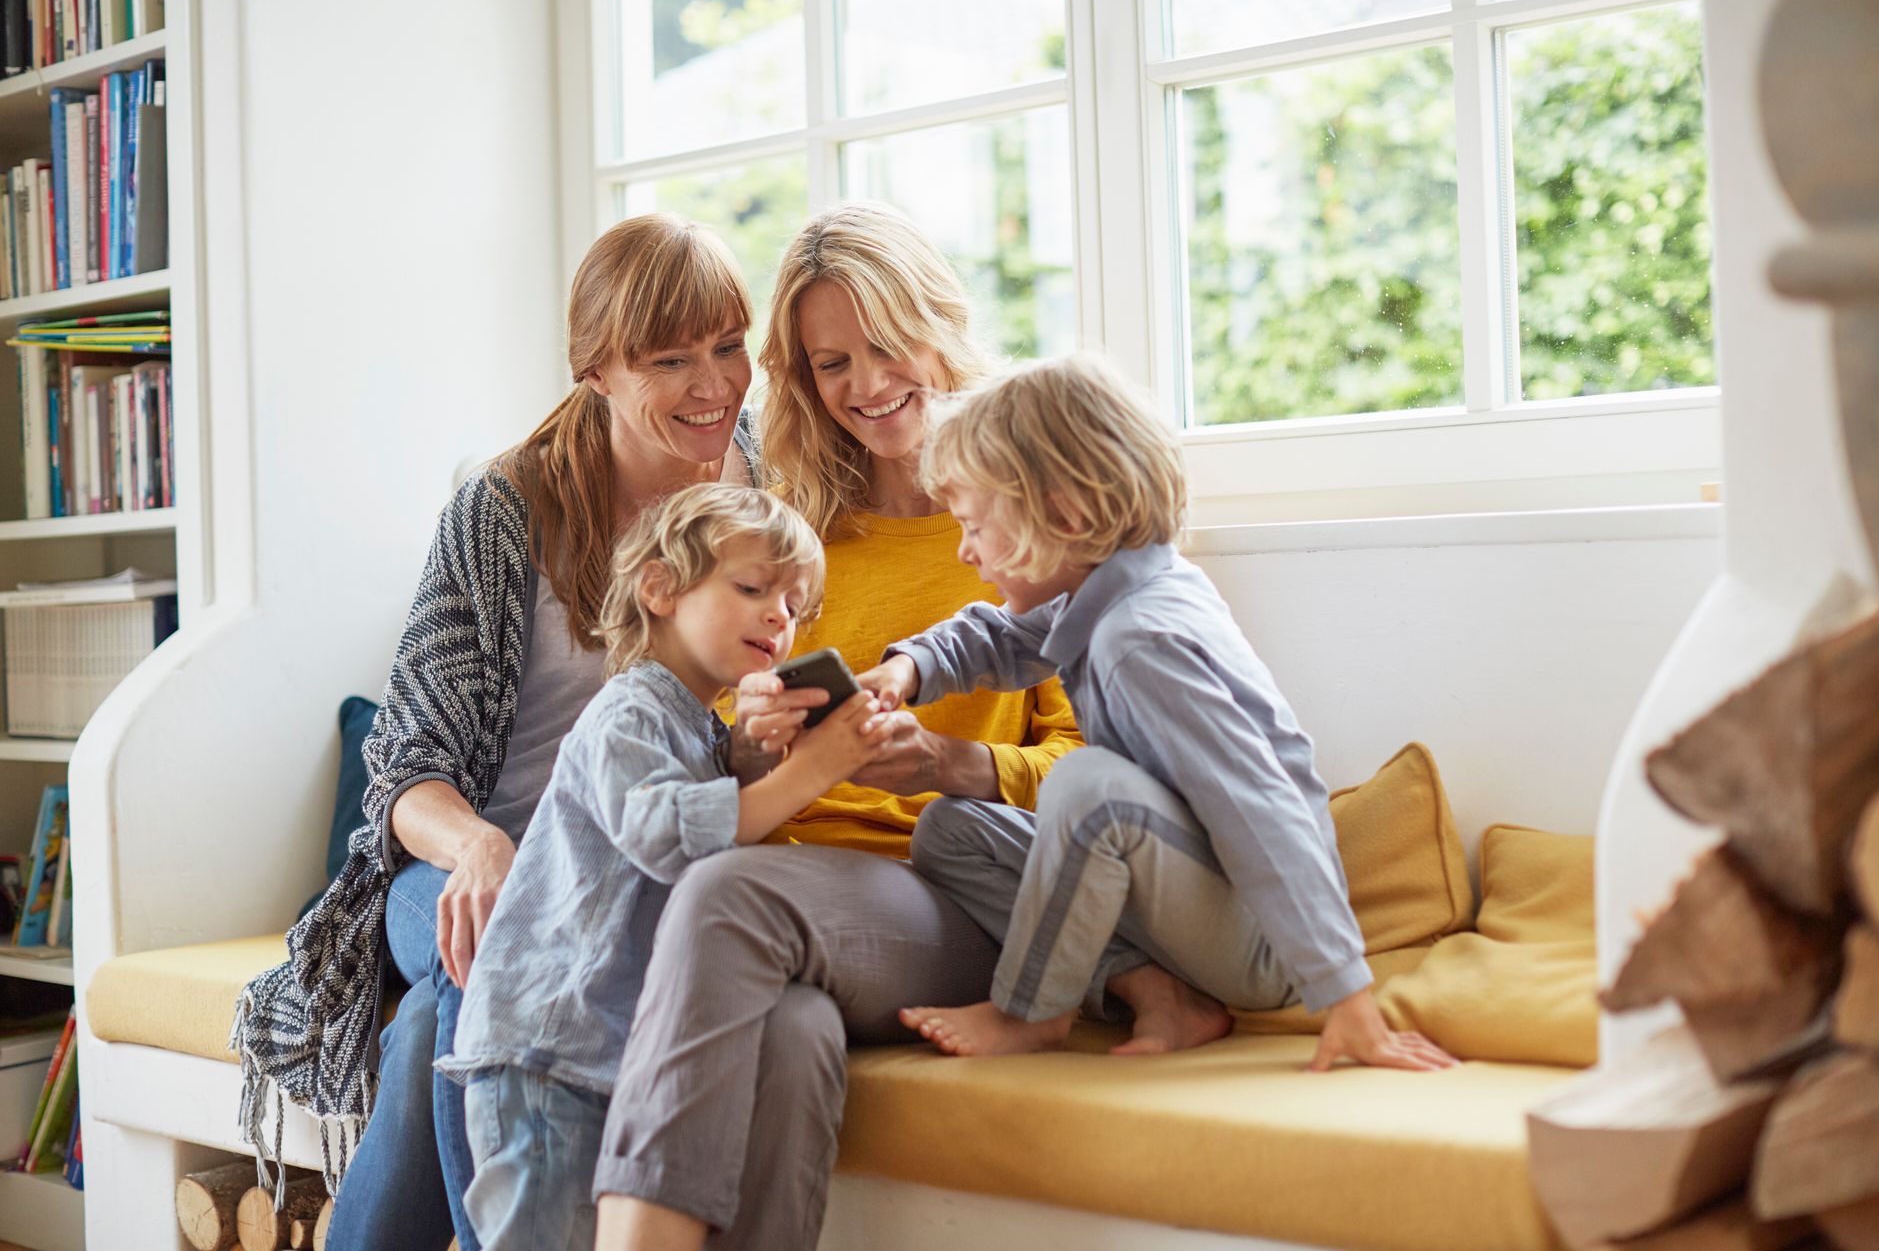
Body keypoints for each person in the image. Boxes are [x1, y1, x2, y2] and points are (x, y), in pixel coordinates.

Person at [232, 213, 760, 1251]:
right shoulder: (504, 509)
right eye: (671, 358)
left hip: (644, 862)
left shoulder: (770, 494)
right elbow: (406, 770)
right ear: (596, 368)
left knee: (441, 1015)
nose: (715, 384)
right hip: (473, 860)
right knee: (488, 949)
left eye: (730, 345)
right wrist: (478, 844)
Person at [590, 201, 1081, 1251]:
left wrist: (952, 761)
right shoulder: (802, 538)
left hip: (967, 894)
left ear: (938, 323)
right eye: (828, 363)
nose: (864, 384)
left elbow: (1095, 773)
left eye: (885, 343)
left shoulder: (1027, 526)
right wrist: (751, 736)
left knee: (723, 889)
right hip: (808, 905)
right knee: (791, 1027)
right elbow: (721, 741)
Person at [867, 352, 1458, 1072]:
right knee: (950, 830)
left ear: (1064, 515)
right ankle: (1164, 995)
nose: (964, 551)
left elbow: (1260, 809)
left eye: (974, 526)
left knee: (1084, 787)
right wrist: (906, 669)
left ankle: (1034, 1012)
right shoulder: (1108, 593)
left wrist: (1345, 994)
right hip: (1176, 892)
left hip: (1256, 939)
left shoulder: (1141, 638)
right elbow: (999, 635)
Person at [445, 483, 888, 1250]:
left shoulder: (698, 727)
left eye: (793, 604)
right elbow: (671, 835)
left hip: (609, 1052)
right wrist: (814, 770)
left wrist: (754, 755)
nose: (780, 617)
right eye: (752, 588)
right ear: (659, 589)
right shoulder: (629, 712)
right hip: (554, 1049)